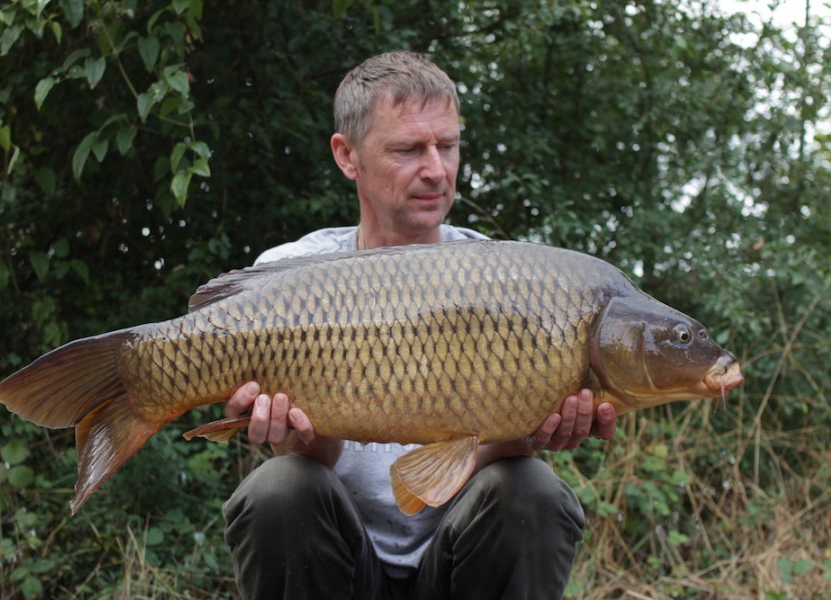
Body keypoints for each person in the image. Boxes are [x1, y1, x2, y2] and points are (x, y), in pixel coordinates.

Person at [221, 51, 617, 600]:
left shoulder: (512, 280)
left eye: (448, 145)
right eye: (408, 149)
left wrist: (524, 433)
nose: (436, 169)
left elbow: (464, 471)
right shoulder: (291, 278)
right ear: (347, 155)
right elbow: (316, 464)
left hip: (455, 566)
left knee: (531, 488)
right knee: (281, 488)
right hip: (344, 561)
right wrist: (297, 438)